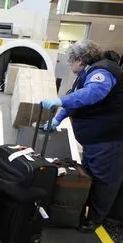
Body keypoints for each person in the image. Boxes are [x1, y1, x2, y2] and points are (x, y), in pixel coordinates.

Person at [41, 40, 123, 233]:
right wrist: (57, 119)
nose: (70, 66)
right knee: (91, 175)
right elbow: (76, 100)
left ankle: (94, 219)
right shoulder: (87, 72)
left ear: (79, 59)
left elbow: (92, 94)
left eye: (70, 61)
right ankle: (84, 211)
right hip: (96, 140)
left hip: (110, 139)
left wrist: (59, 100)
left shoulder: (102, 72)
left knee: (104, 181)